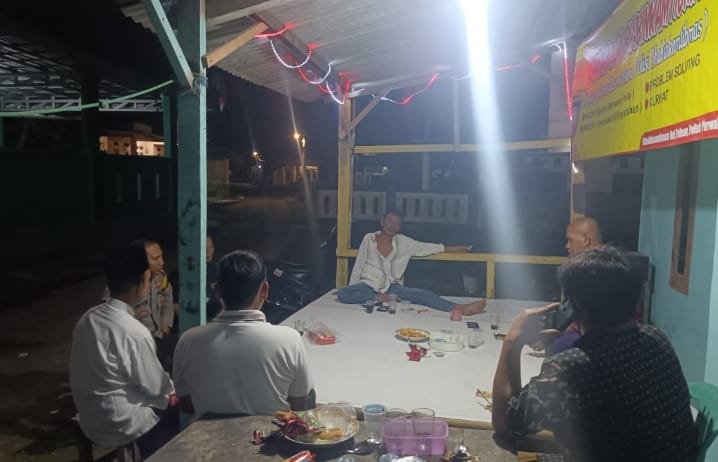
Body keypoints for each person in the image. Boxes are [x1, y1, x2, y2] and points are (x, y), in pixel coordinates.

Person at [491, 246, 696, 462]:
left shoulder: (570, 369)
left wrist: (512, 342)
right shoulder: (655, 337)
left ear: (573, 306)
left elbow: (506, 423)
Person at [172, 250, 314, 418]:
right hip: (270, 433)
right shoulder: (289, 340)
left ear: (217, 291)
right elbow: (299, 403)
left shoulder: (189, 340)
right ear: (264, 290)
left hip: (207, 434)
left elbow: (186, 404)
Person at [70, 240, 176, 458]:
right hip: (122, 425)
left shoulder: (87, 319)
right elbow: (157, 387)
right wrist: (174, 392)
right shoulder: (134, 331)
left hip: (90, 419)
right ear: (142, 281)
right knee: (173, 406)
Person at [337, 210, 487, 315]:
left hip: (391, 288)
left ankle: (460, 308)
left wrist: (455, 249)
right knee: (343, 293)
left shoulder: (403, 242)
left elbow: (427, 247)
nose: (392, 225)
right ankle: (379, 298)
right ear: (382, 222)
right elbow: (359, 264)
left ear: (399, 227)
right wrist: (353, 288)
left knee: (422, 294)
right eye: (390, 221)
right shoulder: (369, 238)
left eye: (397, 223)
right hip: (367, 285)